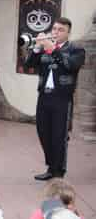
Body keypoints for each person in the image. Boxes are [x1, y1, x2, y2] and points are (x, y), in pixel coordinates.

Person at [25, 17, 85, 180]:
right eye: (54, 29)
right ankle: (51, 167)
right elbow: (28, 65)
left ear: (68, 33)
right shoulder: (44, 48)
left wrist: (53, 49)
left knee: (59, 135)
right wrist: (37, 48)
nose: (56, 32)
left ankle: (59, 171)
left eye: (61, 30)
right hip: (44, 96)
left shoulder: (76, 49)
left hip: (62, 98)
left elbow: (70, 66)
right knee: (43, 132)